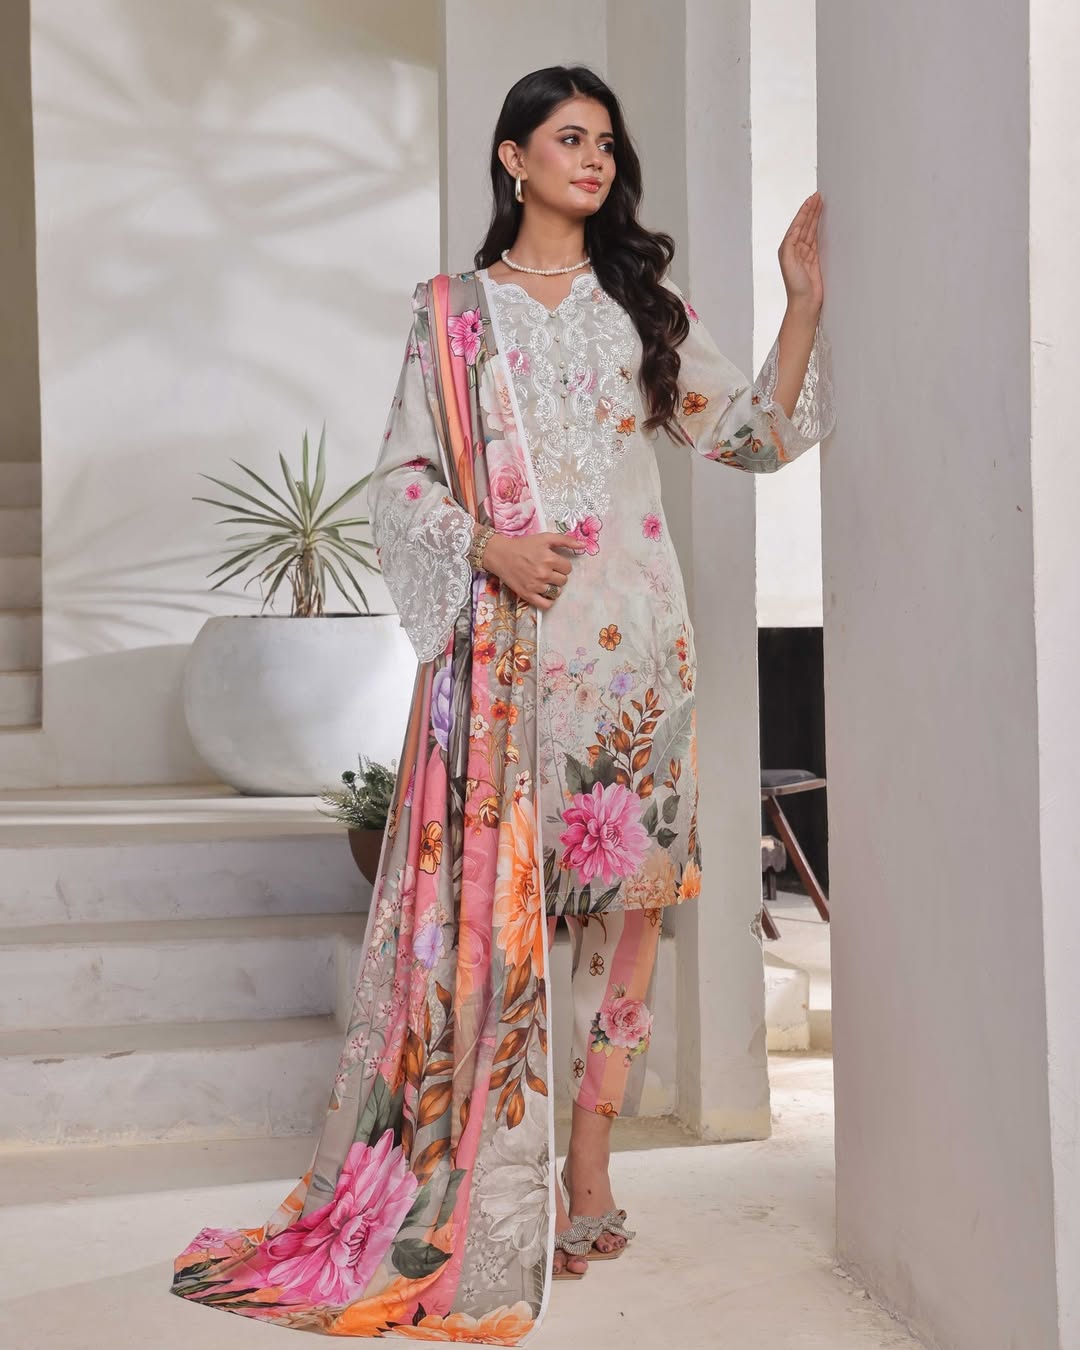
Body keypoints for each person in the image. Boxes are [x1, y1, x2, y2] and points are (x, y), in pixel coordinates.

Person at [170, 63, 834, 1341]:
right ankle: (493, 1169)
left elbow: (750, 434)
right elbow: (401, 481)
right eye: (569, 138)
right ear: (513, 157)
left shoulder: (644, 309)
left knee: (627, 924)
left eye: (607, 143)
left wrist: (801, 304)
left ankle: (589, 1169)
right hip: (509, 660)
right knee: (501, 917)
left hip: (638, 664)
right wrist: (489, 547)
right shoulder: (453, 315)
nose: (595, 160)